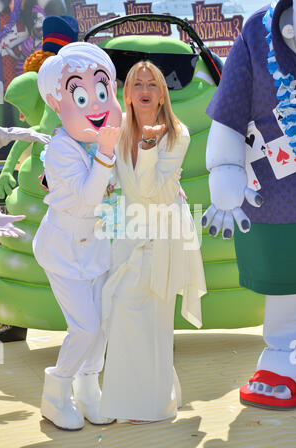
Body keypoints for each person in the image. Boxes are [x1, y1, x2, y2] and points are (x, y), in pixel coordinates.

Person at [202, 0, 296, 409]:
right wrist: (225, 166)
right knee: (285, 279)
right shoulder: (257, 33)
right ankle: (283, 353)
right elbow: (231, 109)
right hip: (278, 196)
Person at [99, 61, 206, 424]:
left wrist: (148, 147)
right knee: (120, 313)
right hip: (127, 233)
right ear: (126, 94)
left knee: (154, 321)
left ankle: (154, 406)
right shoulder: (116, 131)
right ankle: (128, 401)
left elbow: (151, 191)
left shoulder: (178, 133)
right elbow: (109, 181)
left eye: (153, 83)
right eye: (137, 83)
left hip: (162, 234)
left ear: (162, 94)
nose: (145, 89)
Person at [33, 41, 122, 430]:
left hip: (97, 246)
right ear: (58, 102)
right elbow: (87, 201)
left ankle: (89, 390)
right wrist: (105, 154)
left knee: (101, 323)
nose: (96, 105)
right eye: (81, 95)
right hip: (65, 250)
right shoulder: (61, 150)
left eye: (102, 92)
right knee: (84, 326)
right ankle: (56, 391)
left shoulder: (106, 144)